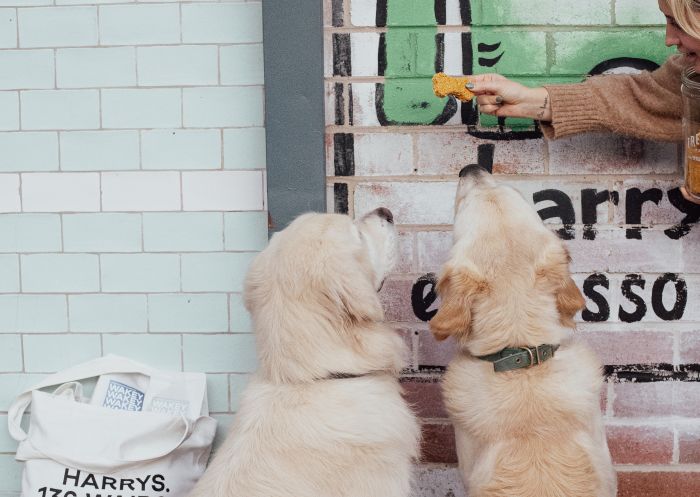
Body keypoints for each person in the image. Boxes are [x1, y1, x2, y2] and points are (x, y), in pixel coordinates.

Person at [467, 0, 700, 203]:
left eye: (677, 23)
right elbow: (638, 97)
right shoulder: (691, 73)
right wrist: (524, 99)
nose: (669, 39)